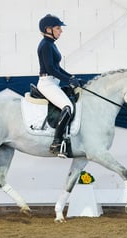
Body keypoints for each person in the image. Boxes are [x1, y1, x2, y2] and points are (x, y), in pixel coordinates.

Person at [37, 14, 82, 155]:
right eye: (58, 28)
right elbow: (50, 69)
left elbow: (57, 68)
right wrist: (69, 80)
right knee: (67, 107)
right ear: (48, 29)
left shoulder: (51, 44)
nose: (61, 31)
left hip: (53, 82)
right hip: (46, 83)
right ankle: (56, 142)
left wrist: (72, 77)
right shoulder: (45, 45)